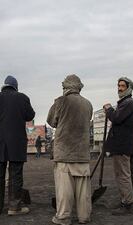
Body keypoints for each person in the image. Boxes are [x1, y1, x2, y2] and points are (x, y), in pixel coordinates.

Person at [47, 74, 93, 225]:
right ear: (79, 86)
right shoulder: (88, 104)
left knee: (64, 190)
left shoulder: (60, 102)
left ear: (65, 87)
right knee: (83, 190)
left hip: (64, 152)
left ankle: (64, 217)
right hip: (82, 152)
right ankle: (84, 216)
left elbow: (51, 121)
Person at [0, 75, 35, 216]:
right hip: (16, 142)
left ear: (4, 85)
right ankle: (14, 207)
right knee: (15, 174)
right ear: (16, 86)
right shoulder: (22, 97)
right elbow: (30, 115)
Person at [103, 77, 133, 215]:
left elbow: (116, 118)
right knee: (121, 174)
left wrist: (109, 109)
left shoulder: (128, 103)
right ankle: (125, 200)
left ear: (129, 88)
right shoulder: (125, 103)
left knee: (123, 175)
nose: (119, 88)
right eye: (118, 85)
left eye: (122, 86)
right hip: (121, 145)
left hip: (122, 146)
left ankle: (127, 203)